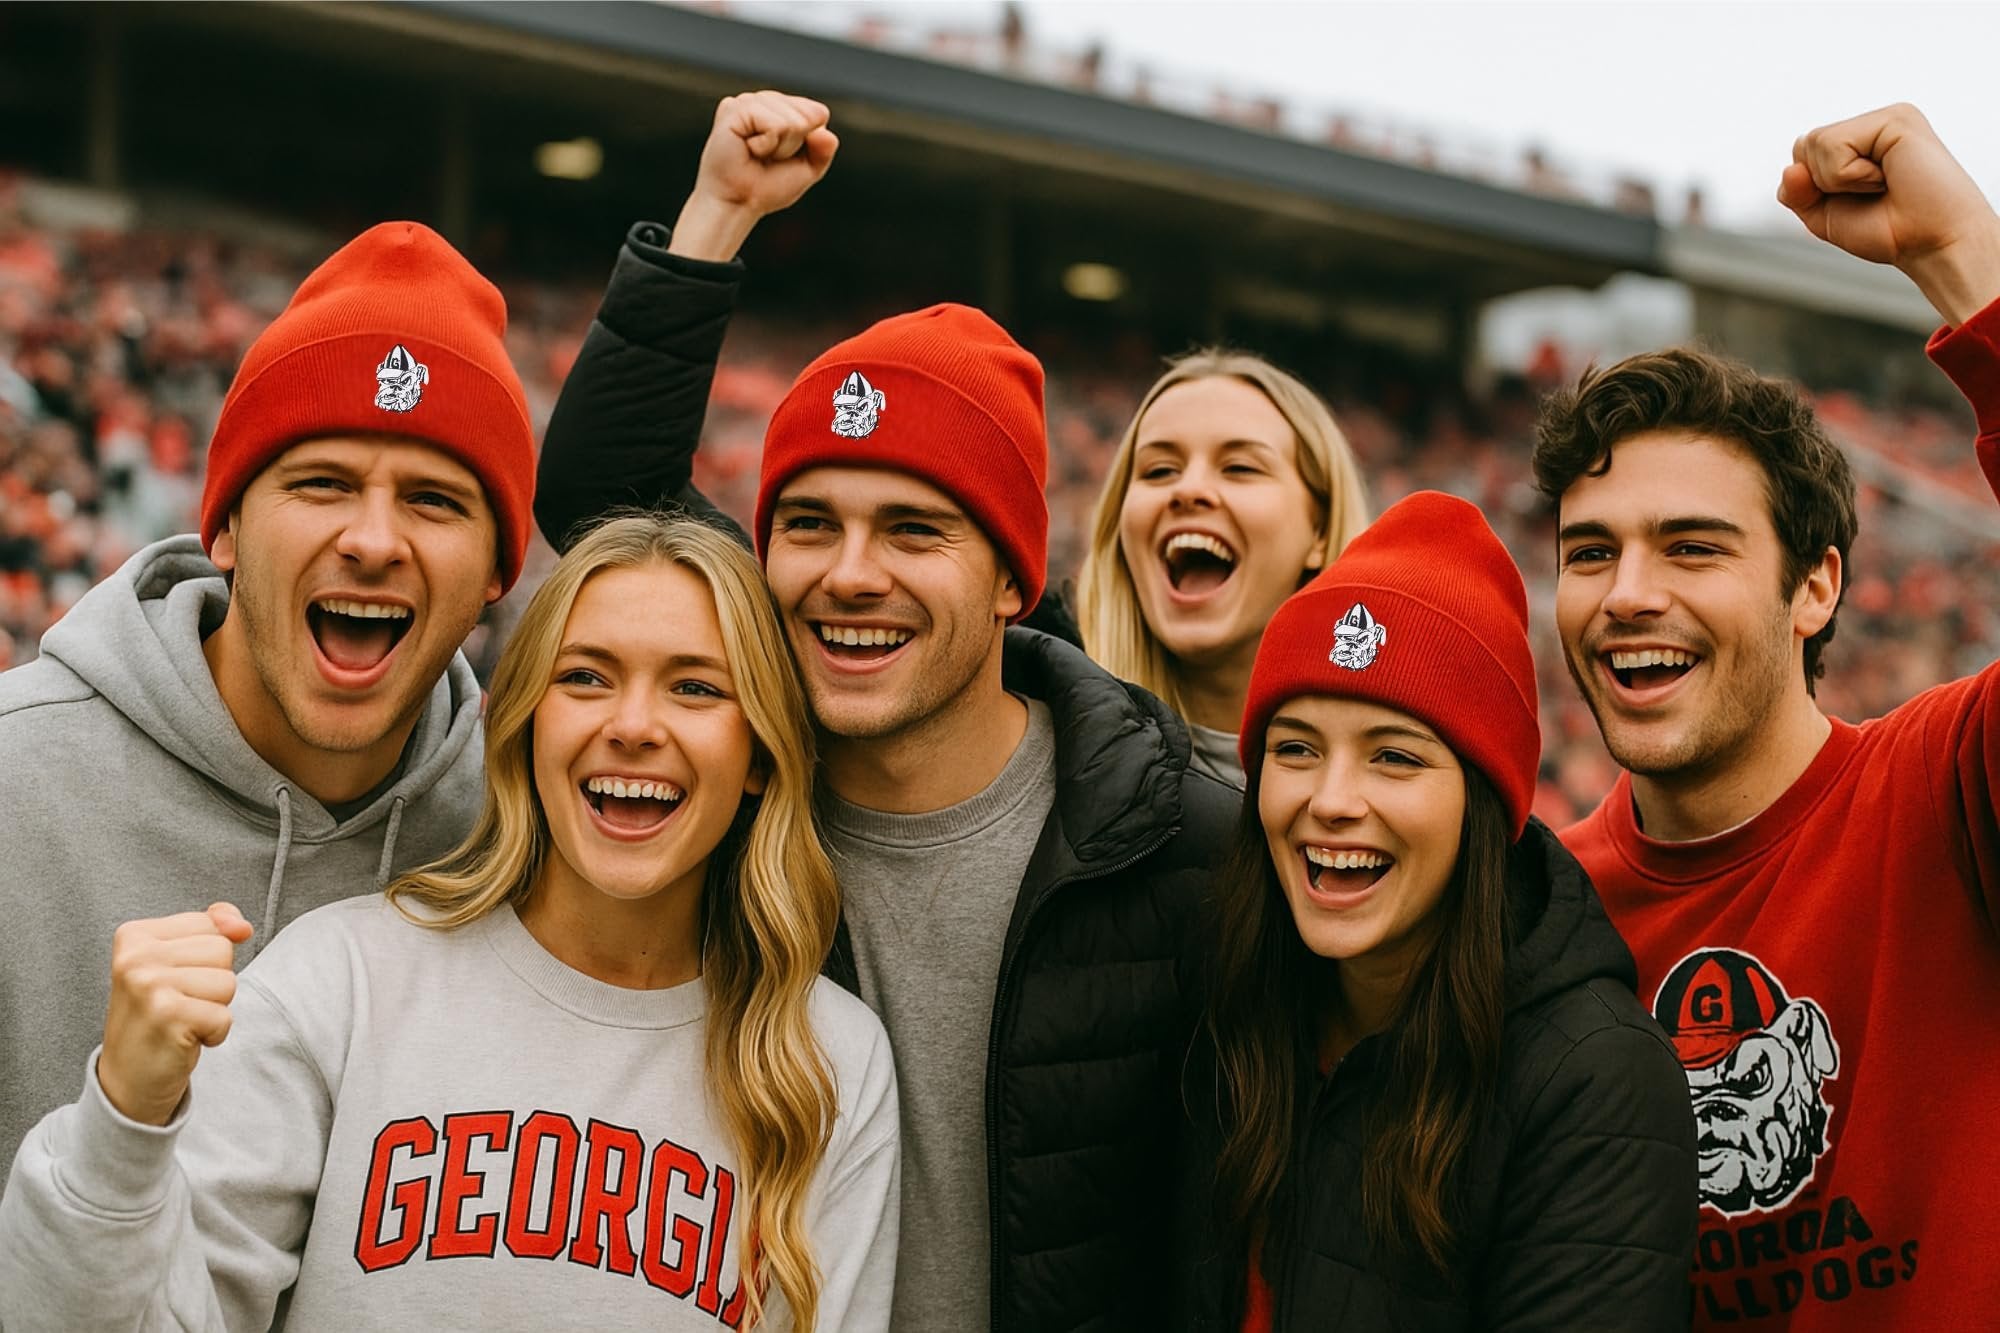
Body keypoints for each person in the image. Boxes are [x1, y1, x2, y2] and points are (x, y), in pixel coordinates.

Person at [534, 92, 1236, 1332]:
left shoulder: (1179, 842)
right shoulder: (725, 781)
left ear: (1012, 581)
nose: (849, 575)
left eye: (913, 529)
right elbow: (605, 503)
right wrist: (716, 216)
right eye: (808, 523)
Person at [0, 515, 900, 1331]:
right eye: (585, 677)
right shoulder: (340, 981)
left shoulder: (829, 1063)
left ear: (760, 754)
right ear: (527, 723)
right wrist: (123, 1119)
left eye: (696, 688)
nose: (633, 725)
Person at [1536, 104, 2000, 1328]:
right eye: (1590, 551)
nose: (1627, 594)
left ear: (1814, 587)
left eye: (1692, 547)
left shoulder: (1949, 788)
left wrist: (1963, 257)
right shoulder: (1526, 908)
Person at [0, 221, 538, 1168]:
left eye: (433, 499)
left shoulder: (520, 848)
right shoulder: (17, 778)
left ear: (497, 569)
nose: (373, 541)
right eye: (323, 483)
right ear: (226, 529)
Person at [1176, 490, 1694, 1329]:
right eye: (1296, 748)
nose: (1331, 800)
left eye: (1394, 757)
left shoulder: (1595, 1081)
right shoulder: (1225, 993)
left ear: (1482, 806)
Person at [1075, 353, 1370, 786]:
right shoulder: (1047, 736)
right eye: (1159, 470)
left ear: (1320, 531)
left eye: (1239, 468)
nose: (1189, 489)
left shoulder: (1405, 763)